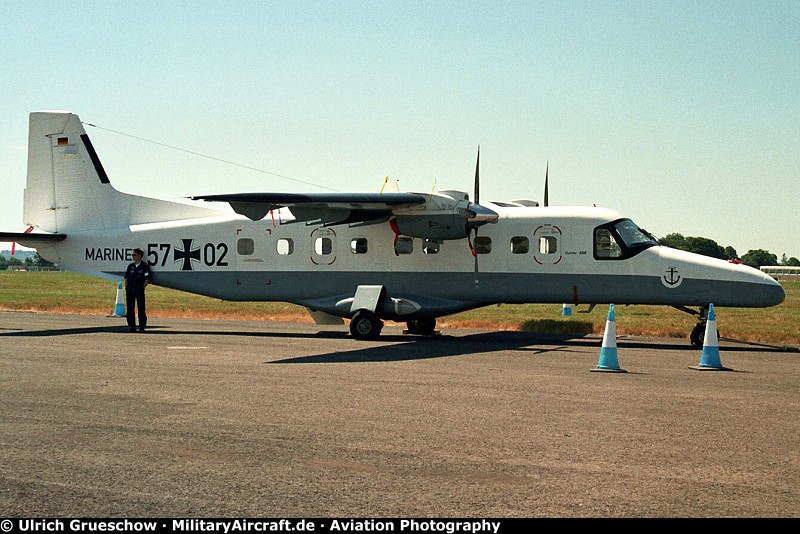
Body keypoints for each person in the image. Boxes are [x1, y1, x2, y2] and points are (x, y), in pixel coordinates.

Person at [124, 248, 152, 333]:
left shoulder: (145, 266)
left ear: (139, 256)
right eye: (133, 255)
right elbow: (126, 277)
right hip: (130, 290)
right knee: (130, 309)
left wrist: (142, 287)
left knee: (141, 309)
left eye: (134, 255)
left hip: (139, 290)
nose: (133, 256)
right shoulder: (130, 266)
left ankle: (142, 327)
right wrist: (127, 286)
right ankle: (131, 326)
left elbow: (147, 279)